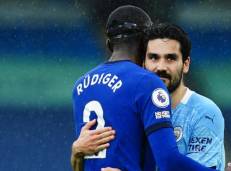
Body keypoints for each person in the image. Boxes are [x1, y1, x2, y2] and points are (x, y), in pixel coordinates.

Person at [71, 5, 215, 171]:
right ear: (146, 43)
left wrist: (75, 153)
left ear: (109, 43)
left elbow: (87, 161)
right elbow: (168, 160)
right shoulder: (147, 83)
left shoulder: (81, 86)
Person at [143, 23, 225, 171]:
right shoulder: (136, 110)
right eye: (154, 58)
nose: (161, 67)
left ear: (185, 64)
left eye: (170, 59)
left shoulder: (203, 112)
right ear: (143, 64)